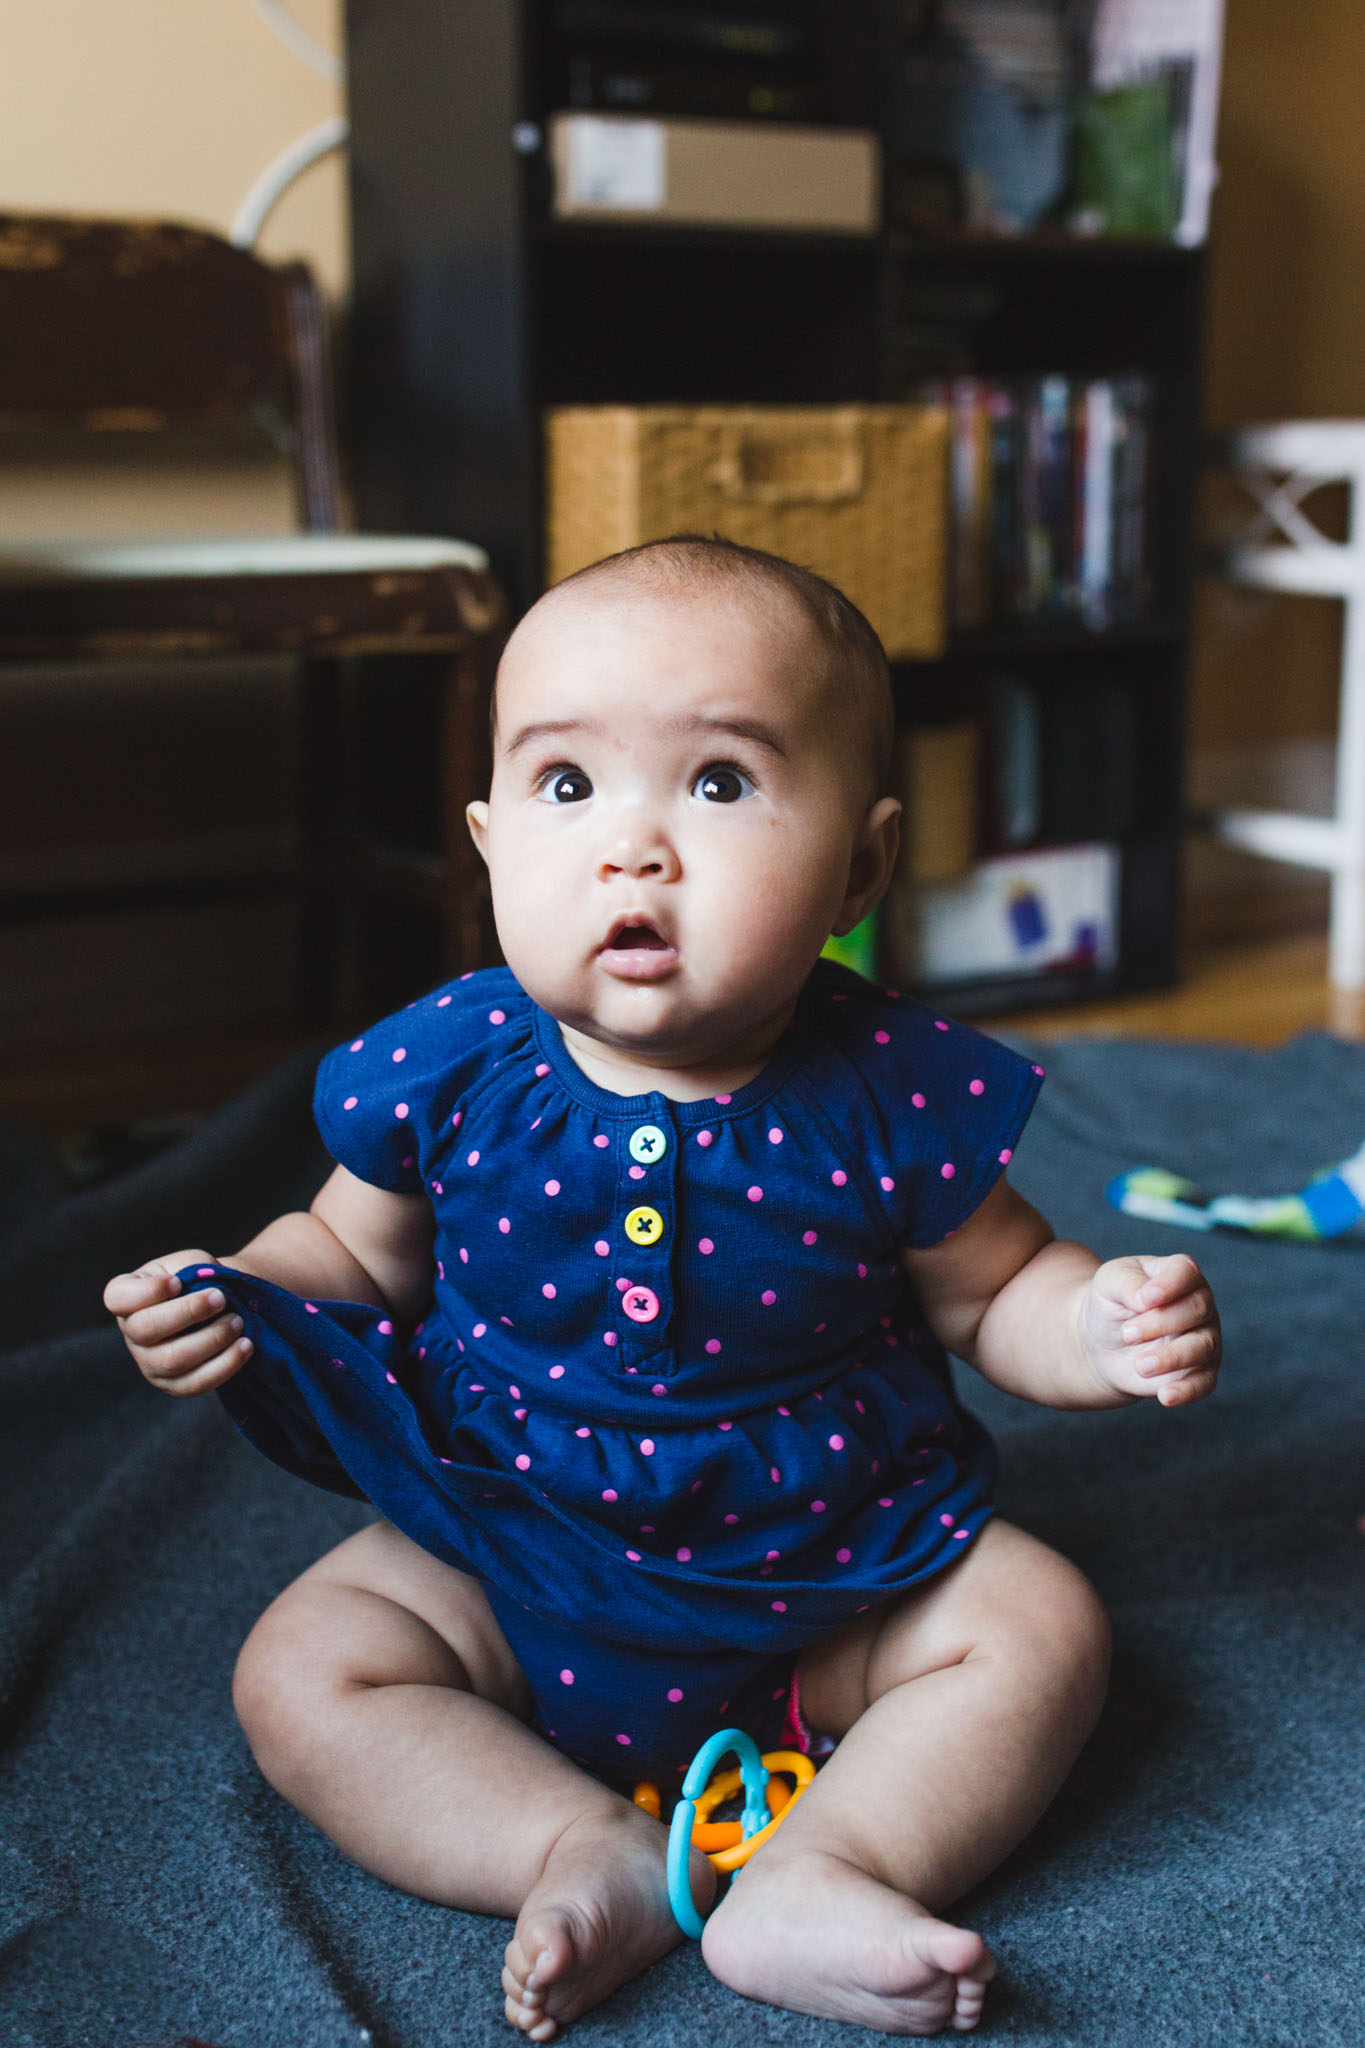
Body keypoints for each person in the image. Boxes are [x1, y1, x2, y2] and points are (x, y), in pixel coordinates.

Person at [105, 537, 1221, 2040]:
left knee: (1040, 1626)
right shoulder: (448, 1065)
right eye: (569, 789)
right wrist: (234, 1294)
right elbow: (352, 1255)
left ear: (861, 864)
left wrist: (1098, 1325)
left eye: (718, 782)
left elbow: (999, 1288)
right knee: (306, 1671)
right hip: (510, 1536)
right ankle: (576, 1850)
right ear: (494, 844)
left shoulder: (884, 1090)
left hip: (834, 1561)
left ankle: (827, 1869)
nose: (633, 848)